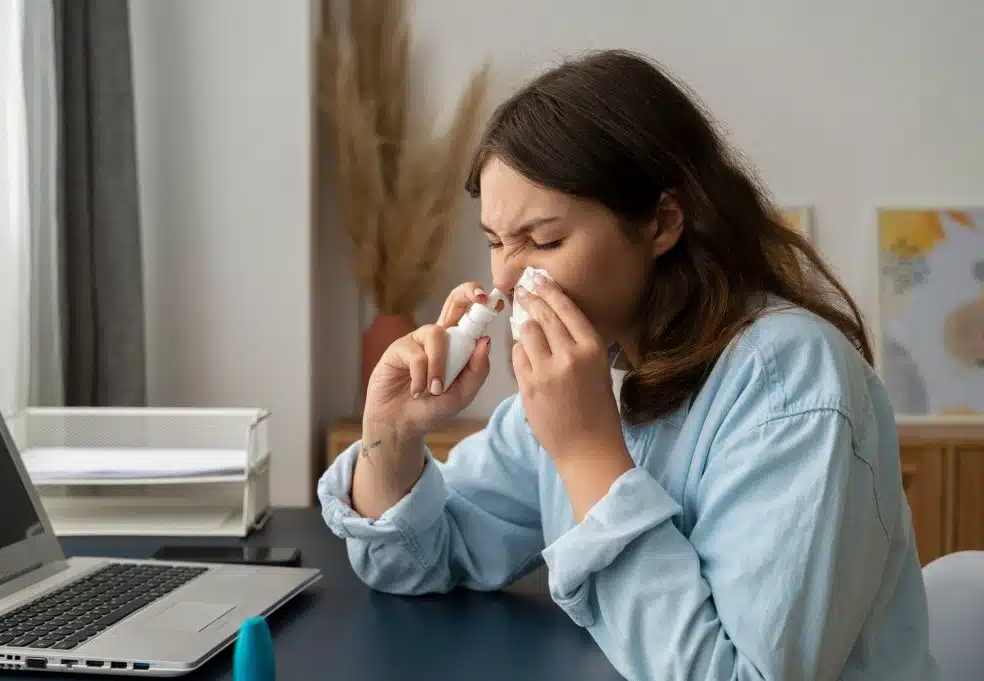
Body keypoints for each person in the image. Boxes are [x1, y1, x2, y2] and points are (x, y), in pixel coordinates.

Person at [318, 49, 937, 681]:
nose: (504, 282)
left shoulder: (792, 382)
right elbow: (413, 562)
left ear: (662, 222)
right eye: (496, 243)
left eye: (545, 240)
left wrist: (588, 452)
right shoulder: (601, 370)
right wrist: (392, 437)